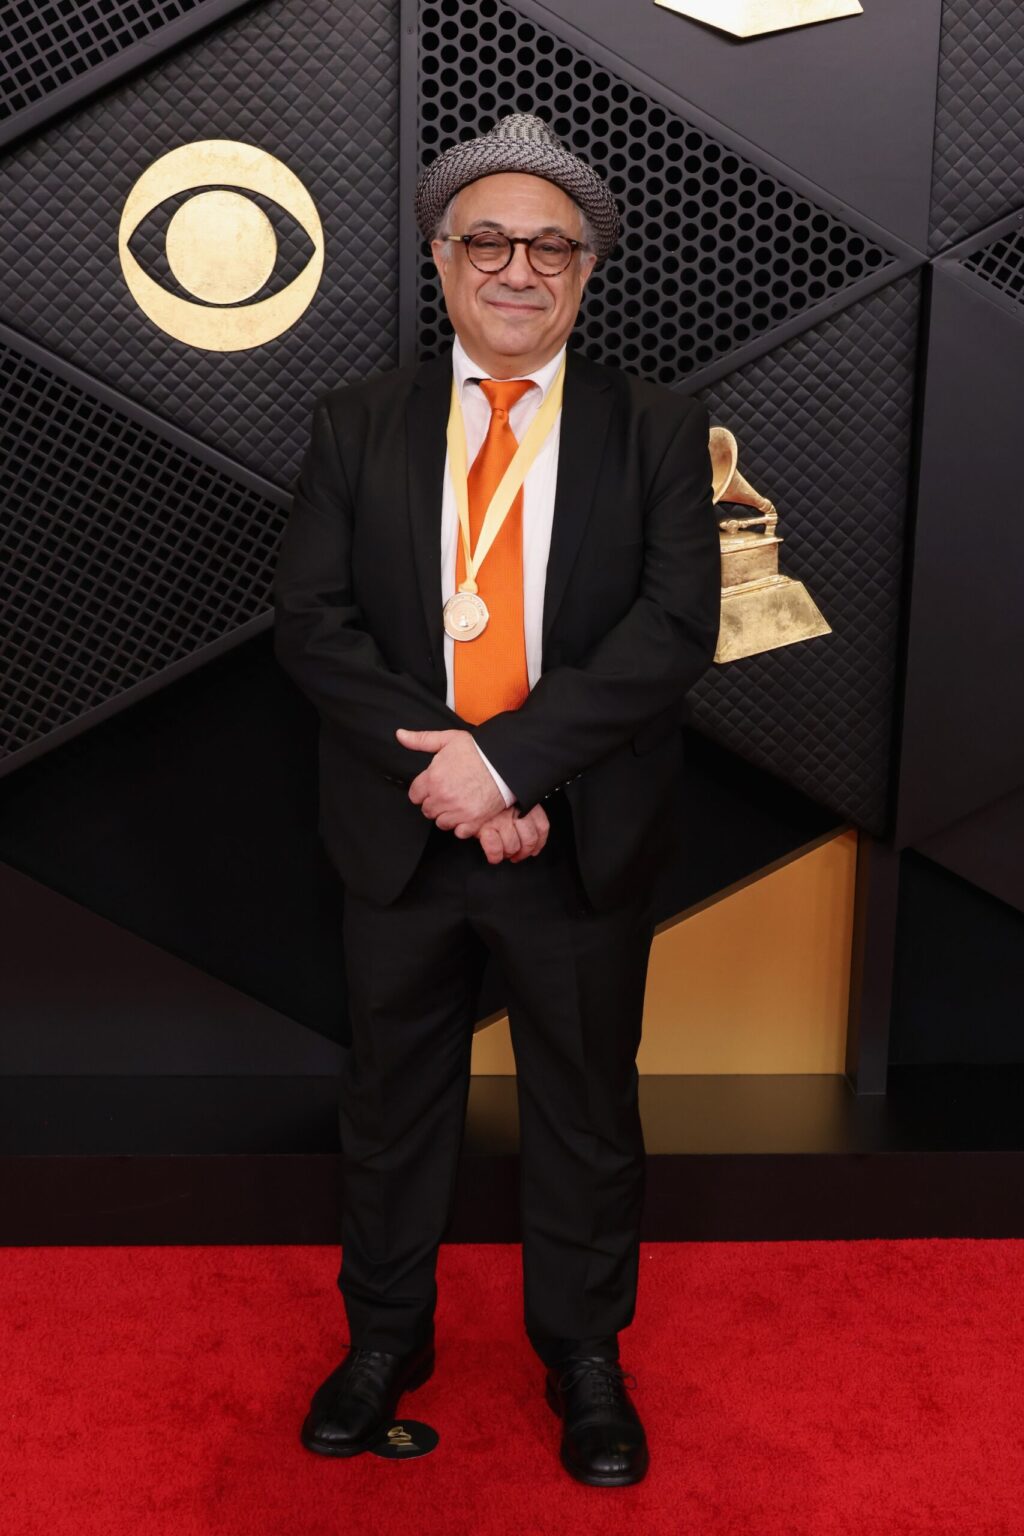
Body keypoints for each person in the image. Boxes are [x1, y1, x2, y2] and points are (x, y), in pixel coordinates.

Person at [272, 112, 722, 1487]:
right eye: (488, 239)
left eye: (552, 246)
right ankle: (385, 1340)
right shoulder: (360, 421)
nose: (518, 268)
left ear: (586, 272)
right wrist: (454, 776)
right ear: (439, 256)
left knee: (585, 1111)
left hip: (576, 834)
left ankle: (584, 1358)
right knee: (390, 1102)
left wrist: (519, 765)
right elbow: (314, 621)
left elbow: (673, 628)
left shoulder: (653, 425)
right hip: (408, 832)